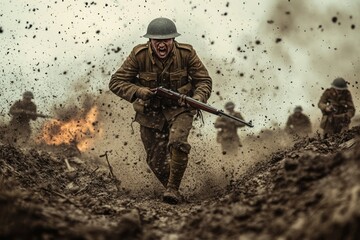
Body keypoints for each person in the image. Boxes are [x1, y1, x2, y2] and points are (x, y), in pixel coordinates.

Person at [109, 17, 212, 204]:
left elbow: (204, 81)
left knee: (178, 142)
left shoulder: (186, 54)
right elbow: (116, 82)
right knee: (155, 160)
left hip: (180, 109)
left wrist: (197, 100)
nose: (162, 45)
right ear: (150, 41)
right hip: (150, 114)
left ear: (173, 40)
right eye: (157, 41)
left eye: (166, 40)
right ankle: (174, 188)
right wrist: (139, 91)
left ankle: (172, 189)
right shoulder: (138, 55)